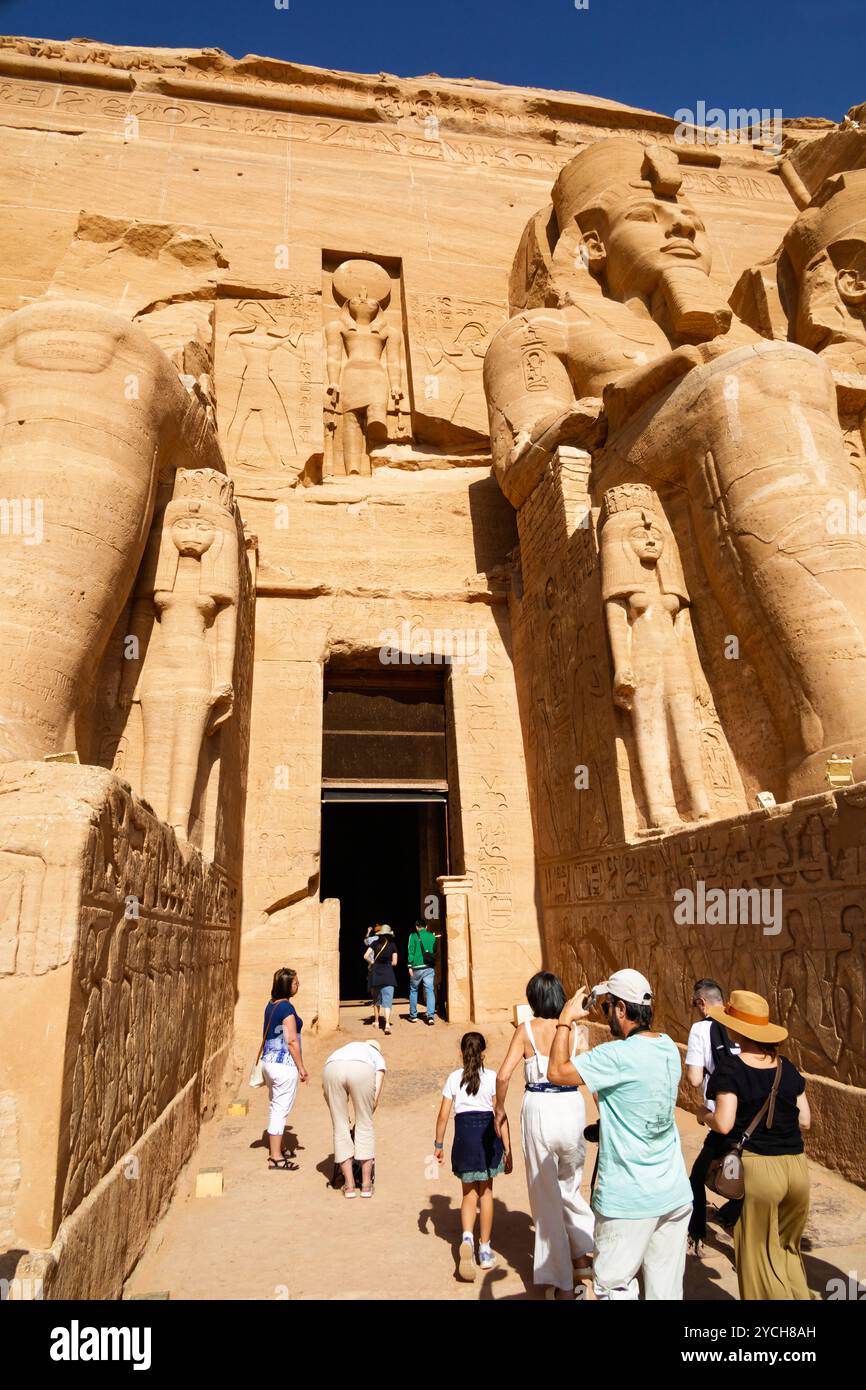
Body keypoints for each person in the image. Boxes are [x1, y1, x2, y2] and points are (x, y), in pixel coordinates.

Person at [548, 968, 693, 1300]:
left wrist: (565, 1020)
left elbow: (555, 1072)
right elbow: (624, 1097)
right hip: (672, 1191)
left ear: (622, 1010)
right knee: (666, 1291)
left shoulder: (615, 1055)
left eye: (607, 1006)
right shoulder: (669, 1047)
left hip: (629, 1199)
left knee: (615, 1286)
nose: (606, 1014)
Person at [701, 990, 812, 1300]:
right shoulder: (786, 1067)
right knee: (787, 1251)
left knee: (757, 1259)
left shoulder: (731, 1068)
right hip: (796, 1169)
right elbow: (805, 1121)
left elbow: (724, 1123)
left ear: (736, 1029)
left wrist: (703, 1115)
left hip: (761, 1168)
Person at [495, 972, 595, 1300]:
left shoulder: (526, 1030)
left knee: (545, 1196)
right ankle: (582, 1257)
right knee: (570, 1186)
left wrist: (499, 1110)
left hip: (539, 1108)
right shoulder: (576, 1030)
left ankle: (563, 1284)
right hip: (571, 1108)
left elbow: (504, 1074)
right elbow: (591, 1076)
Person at [435, 1032, 512, 1281]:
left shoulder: (453, 1078)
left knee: (468, 1194)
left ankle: (467, 1236)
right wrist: (507, 1149)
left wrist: (438, 1145)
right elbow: (500, 1115)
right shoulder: (491, 1078)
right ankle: (485, 1248)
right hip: (487, 1138)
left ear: (461, 1053)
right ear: (483, 1055)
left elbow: (443, 1115)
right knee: (486, 1193)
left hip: (464, 1139)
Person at [685, 978, 742, 1252]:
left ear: (702, 1003)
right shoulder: (741, 1024)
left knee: (697, 1176)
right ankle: (732, 1215)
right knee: (744, 1170)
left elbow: (695, 1078)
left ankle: (697, 1232)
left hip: (721, 1115)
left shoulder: (700, 1029)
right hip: (752, 1115)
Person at [322, 1038, 386, 1199]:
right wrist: (361, 1120)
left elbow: (326, 1093)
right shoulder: (376, 1057)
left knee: (340, 1127)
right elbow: (374, 1098)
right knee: (365, 1125)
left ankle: (349, 1185)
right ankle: (365, 1185)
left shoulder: (346, 1048)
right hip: (360, 1069)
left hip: (332, 1068)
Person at [261, 967, 308, 1170]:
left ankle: (277, 1147)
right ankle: (276, 1156)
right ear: (286, 986)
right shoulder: (287, 1009)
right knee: (280, 1110)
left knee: (275, 1106)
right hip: (283, 1063)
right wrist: (301, 1067)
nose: (298, 985)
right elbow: (291, 1041)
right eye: (295, 982)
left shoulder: (271, 1005)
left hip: (268, 1062)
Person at [364, 924, 398, 1034]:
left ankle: (377, 1021)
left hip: (376, 975)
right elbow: (395, 962)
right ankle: (387, 1024)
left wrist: (372, 962)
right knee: (388, 1001)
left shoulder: (374, 943)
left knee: (376, 1000)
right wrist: (387, 964)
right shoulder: (393, 945)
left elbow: (365, 956)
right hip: (388, 975)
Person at [407, 919, 438, 1024]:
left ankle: (413, 1016)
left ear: (416, 927)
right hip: (429, 967)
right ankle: (430, 1016)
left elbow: (410, 951)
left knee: (414, 990)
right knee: (429, 991)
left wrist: (409, 965)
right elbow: (434, 950)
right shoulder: (432, 936)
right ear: (426, 927)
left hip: (417, 967)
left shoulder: (413, 936)